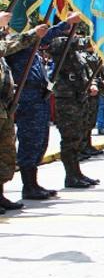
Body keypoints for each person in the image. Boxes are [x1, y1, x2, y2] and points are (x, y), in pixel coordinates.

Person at [8, 11, 81, 199]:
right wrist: (65, 23)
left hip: (39, 96)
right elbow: (44, 35)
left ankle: (34, 183)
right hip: (27, 96)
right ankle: (28, 186)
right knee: (29, 140)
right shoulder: (16, 45)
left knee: (41, 141)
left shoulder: (32, 48)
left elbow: (43, 37)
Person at [0, 13, 50, 209]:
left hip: (5, 106)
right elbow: (11, 45)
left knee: (6, 152)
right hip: (14, 103)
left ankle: (1, 194)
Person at [49, 27, 100, 188]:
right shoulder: (58, 42)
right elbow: (71, 44)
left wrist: (91, 84)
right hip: (67, 98)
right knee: (70, 138)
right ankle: (70, 176)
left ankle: (77, 172)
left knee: (79, 135)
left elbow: (86, 70)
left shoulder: (77, 53)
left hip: (79, 97)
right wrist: (100, 36)